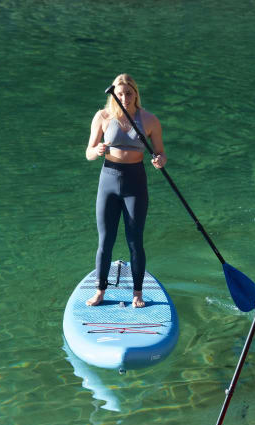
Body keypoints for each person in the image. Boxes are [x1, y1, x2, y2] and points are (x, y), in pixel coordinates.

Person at [85, 73, 167, 308]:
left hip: (135, 182)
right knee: (105, 240)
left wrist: (160, 161)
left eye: (128, 93)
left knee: (135, 240)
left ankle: (137, 294)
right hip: (108, 181)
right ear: (114, 95)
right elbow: (89, 153)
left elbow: (161, 153)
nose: (124, 98)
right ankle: (100, 291)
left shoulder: (149, 120)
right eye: (120, 94)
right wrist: (97, 150)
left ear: (135, 94)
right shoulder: (102, 116)